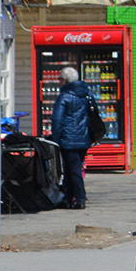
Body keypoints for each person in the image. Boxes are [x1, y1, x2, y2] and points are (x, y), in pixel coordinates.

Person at [49, 66, 93, 209]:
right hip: (84, 138)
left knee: (73, 170)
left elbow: (57, 120)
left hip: (68, 139)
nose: (59, 81)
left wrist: (55, 139)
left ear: (65, 80)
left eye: (60, 79)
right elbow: (94, 115)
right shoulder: (87, 94)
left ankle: (80, 199)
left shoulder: (64, 96)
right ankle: (68, 198)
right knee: (72, 168)